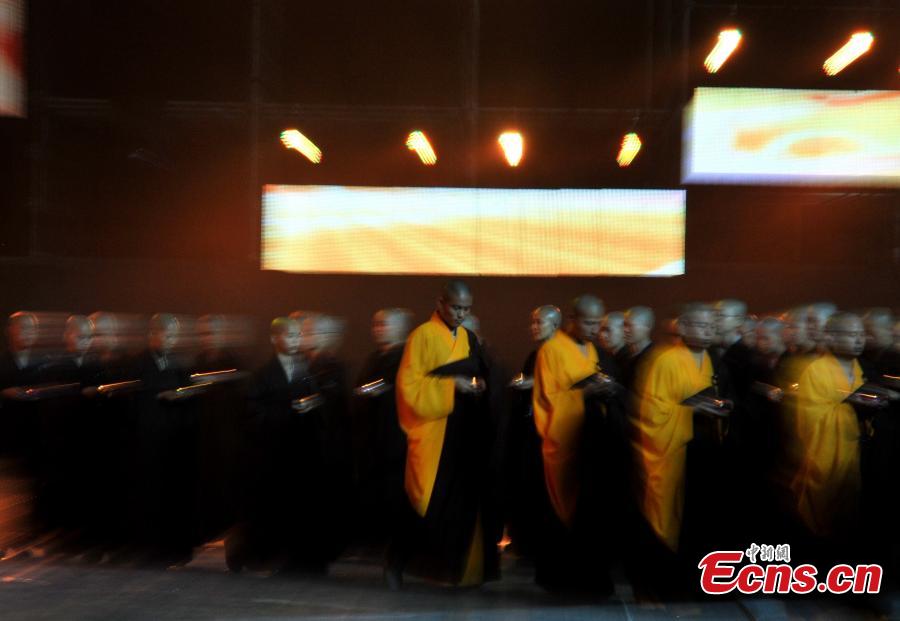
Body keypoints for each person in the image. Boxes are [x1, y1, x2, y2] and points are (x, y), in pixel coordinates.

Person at [389, 280, 498, 588]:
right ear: (440, 303)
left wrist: (478, 386)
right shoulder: (421, 335)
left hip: (463, 431)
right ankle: (396, 562)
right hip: (434, 426)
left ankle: (450, 569)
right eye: (456, 307)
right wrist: (451, 386)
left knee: (458, 502)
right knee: (424, 497)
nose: (461, 314)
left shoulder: (467, 337)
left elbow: (477, 370)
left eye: (466, 308)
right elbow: (408, 385)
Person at [531, 294, 617, 594]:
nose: (594, 329)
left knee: (593, 514)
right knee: (564, 512)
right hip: (566, 440)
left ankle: (593, 580)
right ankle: (562, 580)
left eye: (598, 323)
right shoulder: (552, 349)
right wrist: (585, 393)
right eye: (588, 323)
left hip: (594, 441)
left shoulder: (593, 348)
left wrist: (604, 389)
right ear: (573, 319)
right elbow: (549, 397)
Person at [630, 303, 718, 596]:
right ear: (683, 327)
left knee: (698, 520)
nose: (708, 331)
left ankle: (695, 582)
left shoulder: (710, 359)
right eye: (701, 325)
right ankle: (661, 585)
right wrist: (690, 409)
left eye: (711, 326)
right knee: (667, 516)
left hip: (703, 451)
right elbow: (653, 411)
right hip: (673, 447)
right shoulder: (665, 359)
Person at [788, 312, 869, 563]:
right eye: (851, 335)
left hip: (854, 448)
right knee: (823, 506)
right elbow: (811, 416)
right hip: (826, 451)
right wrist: (848, 406)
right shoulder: (817, 370)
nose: (858, 340)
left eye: (861, 335)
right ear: (832, 338)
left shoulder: (859, 368)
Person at [353, 308, 413, 545]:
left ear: (400, 328)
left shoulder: (405, 357)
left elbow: (381, 389)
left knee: (393, 491)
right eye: (375, 325)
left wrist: (367, 391)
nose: (378, 330)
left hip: (395, 440)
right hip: (373, 439)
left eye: (384, 325)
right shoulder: (374, 358)